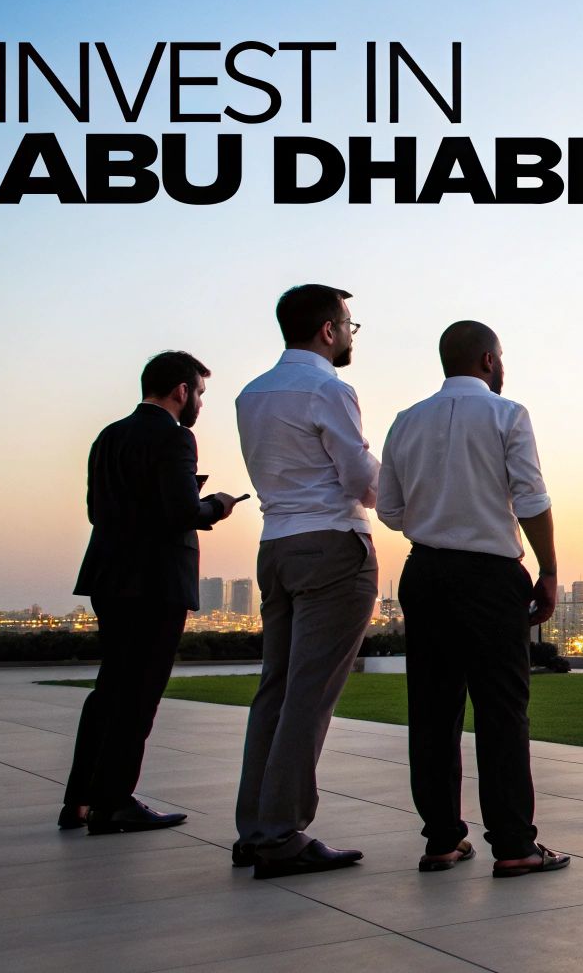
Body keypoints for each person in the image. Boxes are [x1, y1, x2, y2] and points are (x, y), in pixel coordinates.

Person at [377, 320, 568, 877]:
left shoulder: (405, 421)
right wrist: (549, 569)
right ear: (488, 360)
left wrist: (437, 515)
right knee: (501, 710)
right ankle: (513, 845)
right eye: (501, 357)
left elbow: (389, 510)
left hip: (426, 572)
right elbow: (531, 499)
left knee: (432, 711)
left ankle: (442, 840)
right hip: (490, 576)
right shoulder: (508, 415)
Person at [232, 284, 381, 880]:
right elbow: (358, 478)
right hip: (332, 546)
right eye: (349, 324)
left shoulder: (251, 394)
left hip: (276, 547)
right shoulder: (329, 389)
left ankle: (255, 828)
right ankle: (281, 833)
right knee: (309, 695)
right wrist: (401, 488)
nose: (350, 334)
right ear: (328, 329)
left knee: (276, 689)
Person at [63, 351, 241, 834]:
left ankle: (79, 800)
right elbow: (182, 512)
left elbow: (98, 509)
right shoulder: (176, 437)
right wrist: (216, 504)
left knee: (110, 689)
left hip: (109, 577)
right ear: (182, 391)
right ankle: (114, 802)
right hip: (156, 582)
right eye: (199, 392)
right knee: (139, 695)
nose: (199, 402)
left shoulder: (109, 436)